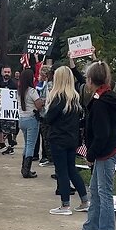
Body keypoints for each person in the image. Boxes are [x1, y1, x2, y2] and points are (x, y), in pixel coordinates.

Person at [71, 61, 116, 230]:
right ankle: (91, 227)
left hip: (106, 152)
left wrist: (91, 154)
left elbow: (102, 134)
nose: (86, 80)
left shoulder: (101, 103)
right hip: (108, 149)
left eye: (87, 77)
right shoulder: (106, 96)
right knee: (95, 191)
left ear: (91, 80)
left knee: (104, 193)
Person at [42, 66, 89, 215]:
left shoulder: (58, 98)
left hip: (58, 139)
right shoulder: (74, 98)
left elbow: (49, 119)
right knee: (72, 170)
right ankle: (84, 200)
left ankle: (65, 205)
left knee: (61, 172)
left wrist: (43, 113)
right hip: (72, 139)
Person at [17, 72, 44, 179]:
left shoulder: (20, 91)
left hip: (22, 119)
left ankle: (24, 168)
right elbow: (38, 105)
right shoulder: (32, 91)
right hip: (31, 119)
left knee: (27, 144)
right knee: (30, 145)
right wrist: (43, 103)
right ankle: (26, 170)